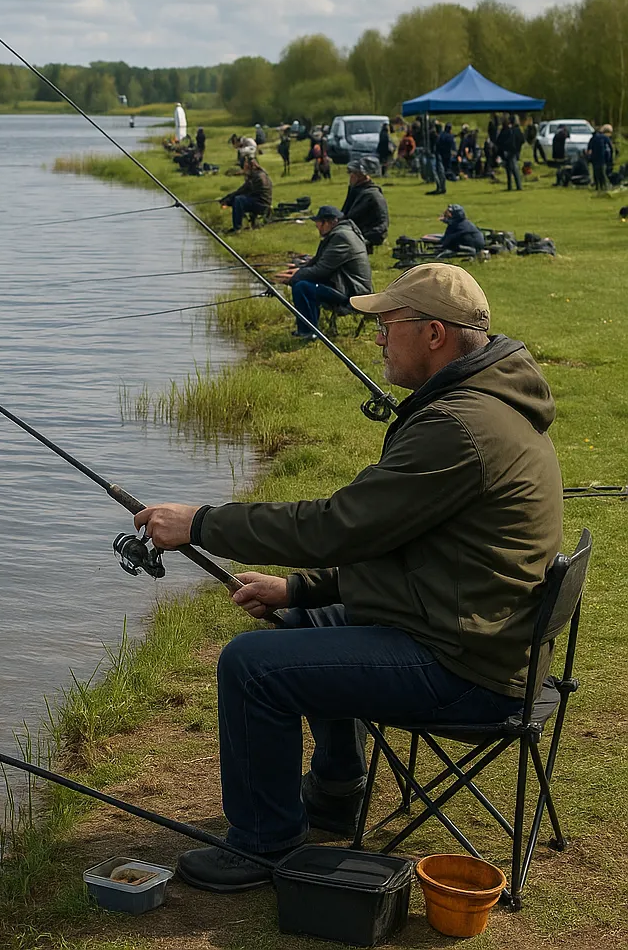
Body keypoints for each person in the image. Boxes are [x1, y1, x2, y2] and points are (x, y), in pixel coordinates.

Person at [134, 264, 563, 893]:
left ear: (435, 333)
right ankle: (337, 791)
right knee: (302, 618)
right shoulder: (483, 403)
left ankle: (264, 844)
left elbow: (339, 526)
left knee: (251, 665)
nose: (379, 340)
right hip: (472, 629)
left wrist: (201, 523)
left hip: (468, 669)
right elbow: (397, 541)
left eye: (388, 326)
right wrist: (302, 590)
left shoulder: (461, 428)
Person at [274, 205, 371, 339]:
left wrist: (294, 277)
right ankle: (309, 329)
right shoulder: (344, 232)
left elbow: (321, 270)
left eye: (319, 223)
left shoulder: (341, 237)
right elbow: (322, 262)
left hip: (354, 294)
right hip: (346, 286)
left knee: (302, 287)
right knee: (305, 283)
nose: (317, 227)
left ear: (330, 222)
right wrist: (300, 268)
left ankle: (308, 332)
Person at [341, 156, 389, 251]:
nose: (350, 176)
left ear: (361, 175)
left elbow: (352, 217)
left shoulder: (370, 195)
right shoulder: (358, 190)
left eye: (353, 173)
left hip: (370, 234)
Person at [220, 155, 273, 233]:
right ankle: (250, 224)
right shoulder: (261, 173)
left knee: (238, 200)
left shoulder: (256, 177)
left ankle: (237, 228)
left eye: (245, 165)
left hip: (261, 204)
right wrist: (228, 199)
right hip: (264, 203)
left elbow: (242, 191)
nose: (244, 167)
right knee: (239, 199)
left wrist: (227, 200)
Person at [496, 117, 523, 191]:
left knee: (510, 169)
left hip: (507, 151)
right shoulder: (514, 130)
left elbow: (498, 141)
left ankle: (511, 186)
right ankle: (517, 186)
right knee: (514, 169)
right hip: (512, 151)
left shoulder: (505, 131)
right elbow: (520, 140)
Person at [587, 125, 614, 190]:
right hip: (603, 158)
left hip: (594, 158)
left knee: (596, 172)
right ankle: (604, 186)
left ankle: (597, 186)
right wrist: (610, 159)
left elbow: (589, 149)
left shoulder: (593, 138)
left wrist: (589, 158)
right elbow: (610, 148)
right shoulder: (605, 138)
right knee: (602, 172)